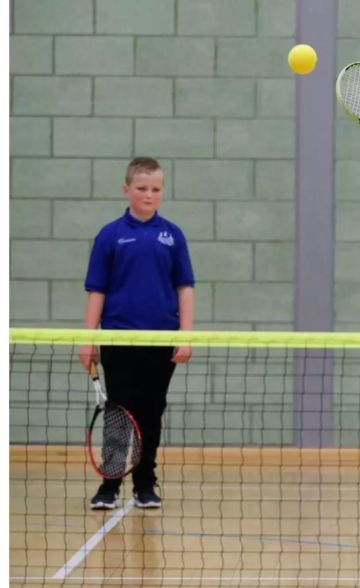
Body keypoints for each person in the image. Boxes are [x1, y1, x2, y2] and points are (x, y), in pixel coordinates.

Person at [78, 156, 195, 510]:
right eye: (141, 188)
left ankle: (145, 484)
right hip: (118, 340)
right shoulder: (110, 235)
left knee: (150, 413)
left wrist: (185, 335)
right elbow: (96, 290)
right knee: (118, 413)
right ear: (126, 190)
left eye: (155, 189)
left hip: (160, 342)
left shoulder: (172, 235)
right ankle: (109, 485)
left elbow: (185, 287)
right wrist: (88, 338)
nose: (149, 195)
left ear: (162, 191)